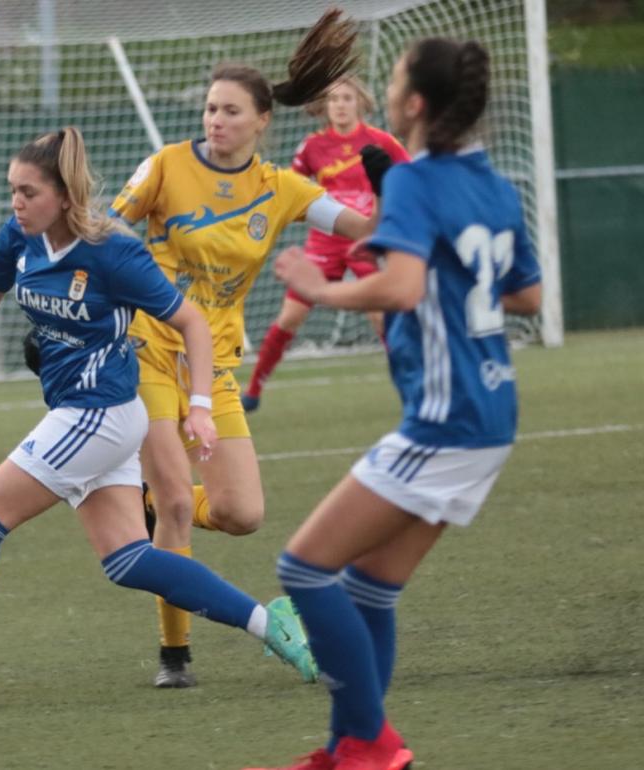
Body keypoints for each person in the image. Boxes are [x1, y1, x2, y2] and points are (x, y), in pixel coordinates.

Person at [0, 126, 316, 700]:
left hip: (101, 412)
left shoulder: (111, 251)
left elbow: (190, 323)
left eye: (28, 192)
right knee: (127, 560)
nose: (16, 203)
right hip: (88, 413)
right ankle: (273, 623)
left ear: (65, 196)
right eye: (12, 190)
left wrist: (198, 407)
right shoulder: (19, 238)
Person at [248, 37, 543, 770]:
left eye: (395, 76)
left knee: (303, 569)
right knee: (371, 589)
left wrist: (320, 289)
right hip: (491, 413)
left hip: (446, 419)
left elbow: (403, 288)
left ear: (413, 104)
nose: (383, 84)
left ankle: (371, 745)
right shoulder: (495, 184)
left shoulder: (413, 183)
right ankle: (348, 749)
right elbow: (528, 294)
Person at [109, 8, 378, 688]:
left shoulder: (281, 189)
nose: (215, 120)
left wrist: (408, 202)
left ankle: (143, 500)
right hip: (144, 350)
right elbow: (107, 232)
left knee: (240, 514)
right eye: (208, 109)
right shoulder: (166, 167)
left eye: (230, 111)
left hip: (213, 363)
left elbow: (358, 227)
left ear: (263, 121)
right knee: (176, 506)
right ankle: (175, 657)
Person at [242, 77, 411, 413]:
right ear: (324, 106)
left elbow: (410, 180)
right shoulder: (311, 147)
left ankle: (411, 389)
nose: (340, 104)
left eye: (347, 97)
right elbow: (291, 189)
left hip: (367, 239)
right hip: (324, 242)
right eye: (333, 99)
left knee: (382, 317)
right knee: (290, 317)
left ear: (361, 102)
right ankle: (254, 388)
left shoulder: (382, 143)